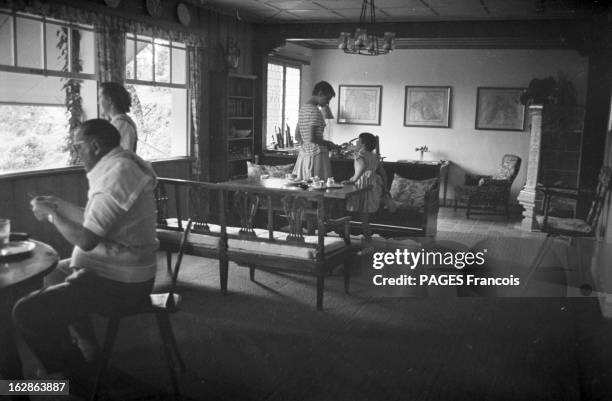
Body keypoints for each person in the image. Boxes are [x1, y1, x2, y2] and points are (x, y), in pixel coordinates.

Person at [12, 119, 158, 391]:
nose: (76, 152)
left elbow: (87, 239)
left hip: (124, 283)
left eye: (78, 146)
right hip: (122, 270)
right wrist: (57, 204)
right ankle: (88, 347)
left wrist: (53, 215)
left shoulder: (119, 174)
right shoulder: (118, 165)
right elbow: (95, 221)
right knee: (55, 271)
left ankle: (77, 377)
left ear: (95, 145)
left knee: (25, 312)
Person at [342, 132, 386, 243]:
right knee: (365, 217)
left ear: (363, 143)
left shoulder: (360, 154)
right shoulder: (374, 156)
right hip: (373, 185)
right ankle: (366, 240)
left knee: (364, 218)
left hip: (363, 186)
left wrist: (353, 180)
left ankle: (368, 243)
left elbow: (361, 168)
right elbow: (383, 173)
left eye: (358, 140)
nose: (356, 142)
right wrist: (385, 187)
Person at [293, 81, 339, 181]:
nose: (328, 103)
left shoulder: (303, 109)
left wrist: (306, 145)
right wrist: (329, 143)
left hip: (304, 155)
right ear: (320, 93)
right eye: (327, 99)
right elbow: (312, 137)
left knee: (305, 186)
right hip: (317, 156)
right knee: (319, 187)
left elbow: (297, 135)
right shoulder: (314, 111)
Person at [99, 81, 138, 152]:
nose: (98, 102)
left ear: (109, 100)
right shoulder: (116, 123)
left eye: (100, 97)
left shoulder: (122, 125)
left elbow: (123, 157)